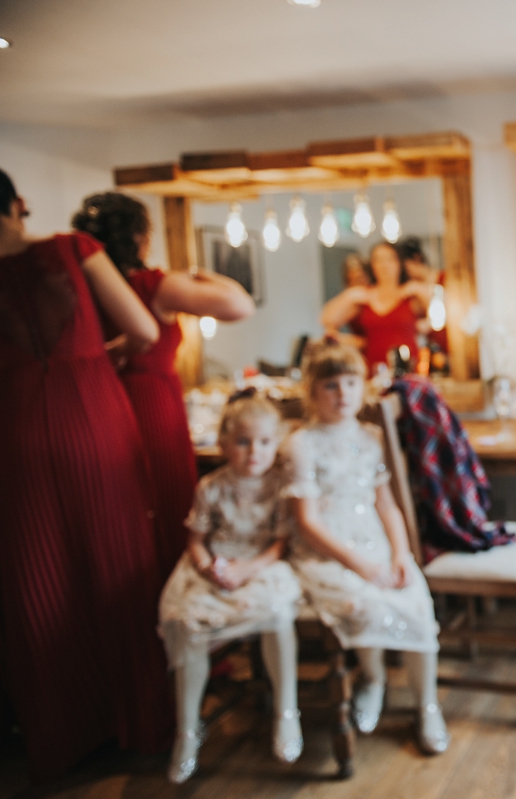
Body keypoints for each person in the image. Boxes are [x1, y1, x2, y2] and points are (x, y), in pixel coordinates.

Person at [0, 169, 172, 777]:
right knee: (117, 558)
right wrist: (96, 359)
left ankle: (62, 738)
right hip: (92, 416)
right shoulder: (75, 250)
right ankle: (142, 723)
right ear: (17, 206)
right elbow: (145, 331)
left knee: (37, 576)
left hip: (14, 432)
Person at [72, 192, 255, 580]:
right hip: (152, 405)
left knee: (119, 508)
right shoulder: (155, 285)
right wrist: (198, 272)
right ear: (141, 237)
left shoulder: (79, 285)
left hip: (96, 406)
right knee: (168, 499)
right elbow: (239, 305)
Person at [281, 341, 449, 754]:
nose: (343, 393)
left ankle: (426, 704)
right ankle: (372, 680)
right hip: (328, 551)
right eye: (331, 385)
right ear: (313, 392)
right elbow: (306, 521)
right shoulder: (300, 444)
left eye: (351, 383)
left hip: (374, 540)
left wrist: (398, 554)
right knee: (366, 603)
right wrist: (361, 566)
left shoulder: (371, 437)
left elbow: (387, 504)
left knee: (414, 599)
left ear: (363, 388)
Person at [158, 391, 303, 783]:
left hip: (261, 562)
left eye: (264, 442)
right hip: (216, 562)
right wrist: (211, 568)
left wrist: (248, 569)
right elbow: (195, 541)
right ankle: (188, 731)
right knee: (187, 621)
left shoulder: (280, 486)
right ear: (223, 443)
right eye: (242, 441)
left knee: (276, 611)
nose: (253, 452)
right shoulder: (211, 487)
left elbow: (280, 543)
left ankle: (286, 712)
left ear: (278, 443)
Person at [320, 241, 425, 370]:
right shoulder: (363, 298)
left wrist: (418, 288)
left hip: (410, 369)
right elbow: (327, 319)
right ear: (372, 265)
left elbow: (441, 315)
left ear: (399, 263)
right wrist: (351, 294)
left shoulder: (412, 296)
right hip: (373, 370)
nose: (384, 265)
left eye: (389, 259)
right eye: (378, 260)